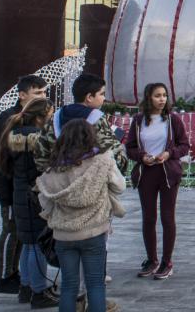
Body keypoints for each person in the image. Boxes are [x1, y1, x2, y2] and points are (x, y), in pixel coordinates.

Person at [37, 119, 125, 312]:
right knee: (95, 284)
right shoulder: (102, 161)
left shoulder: (54, 168)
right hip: (94, 230)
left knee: (69, 285)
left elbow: (45, 200)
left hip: (63, 234)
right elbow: (120, 186)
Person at [0, 74, 47, 299]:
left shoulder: (30, 121)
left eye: (43, 92)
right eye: (37, 93)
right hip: (12, 190)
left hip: (27, 191)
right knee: (12, 231)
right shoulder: (7, 120)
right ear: (22, 95)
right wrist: (4, 195)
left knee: (25, 235)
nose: (42, 97)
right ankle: (5, 277)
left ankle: (21, 277)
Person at [124, 82, 190, 280]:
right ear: (148, 98)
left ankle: (166, 261)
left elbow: (184, 145)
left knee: (167, 217)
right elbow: (130, 147)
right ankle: (151, 259)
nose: (162, 99)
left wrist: (169, 153)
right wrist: (141, 156)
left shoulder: (173, 120)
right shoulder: (138, 120)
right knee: (148, 217)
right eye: (157, 96)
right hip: (147, 173)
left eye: (164, 95)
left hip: (168, 173)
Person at [0, 97, 59, 308]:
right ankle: (39, 291)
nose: (52, 119)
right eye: (50, 115)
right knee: (37, 245)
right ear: (41, 117)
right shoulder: (39, 139)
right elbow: (44, 167)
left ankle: (26, 287)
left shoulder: (12, 135)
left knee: (28, 243)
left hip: (19, 194)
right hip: (35, 195)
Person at [35, 73, 125, 175]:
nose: (104, 98)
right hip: (89, 182)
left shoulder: (55, 117)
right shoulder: (97, 119)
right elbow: (115, 157)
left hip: (58, 182)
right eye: (102, 94)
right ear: (89, 97)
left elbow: (41, 157)